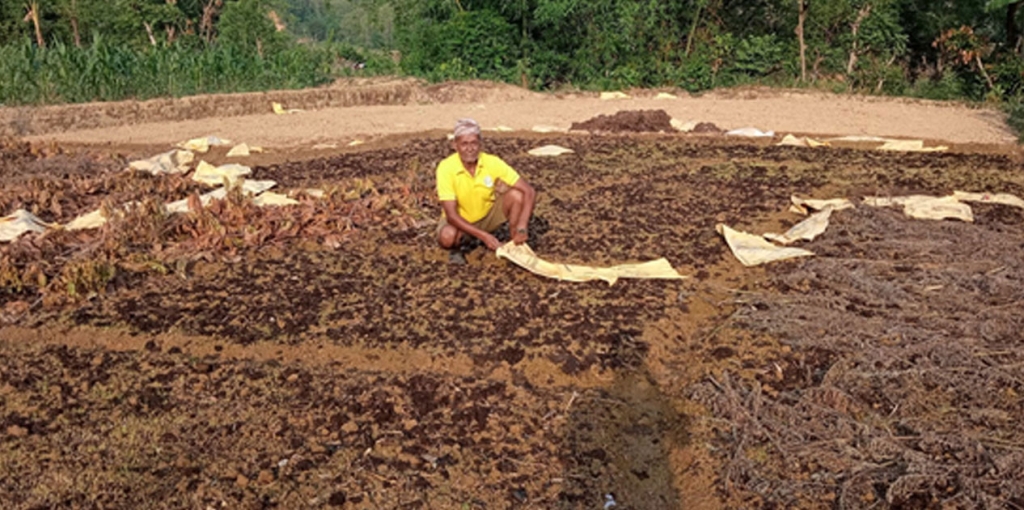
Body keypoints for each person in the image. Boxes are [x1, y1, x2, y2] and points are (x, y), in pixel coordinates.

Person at [436, 118, 537, 260]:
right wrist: (484, 236)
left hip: (488, 215)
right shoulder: (446, 168)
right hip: (461, 220)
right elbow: (451, 216)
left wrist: (522, 225)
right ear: (455, 145)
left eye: (474, 143)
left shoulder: (492, 162)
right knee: (447, 236)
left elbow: (529, 191)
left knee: (517, 195)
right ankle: (459, 249)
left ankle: (515, 243)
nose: (470, 148)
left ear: (480, 144)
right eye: (464, 144)